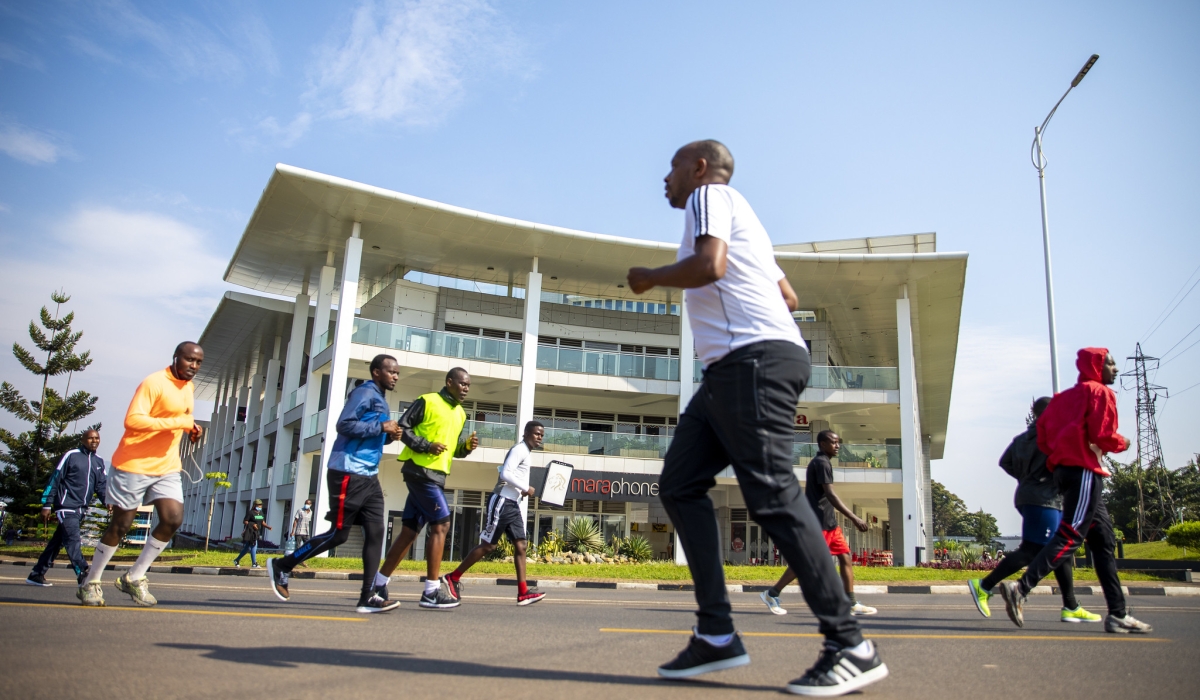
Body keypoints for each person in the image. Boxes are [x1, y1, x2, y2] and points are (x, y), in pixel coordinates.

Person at [627, 140, 886, 696]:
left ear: (698, 168)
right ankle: (717, 632)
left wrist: (650, 276)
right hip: (733, 368)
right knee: (679, 484)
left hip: (752, 360)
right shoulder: (750, 221)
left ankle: (851, 645)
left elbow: (709, 265)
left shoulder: (710, 196)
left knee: (772, 495)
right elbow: (787, 297)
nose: (664, 180)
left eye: (671, 167)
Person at [996, 348, 1152, 634]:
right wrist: (1122, 443)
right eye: (1111, 364)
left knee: (1104, 540)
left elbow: (1043, 434)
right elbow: (1104, 435)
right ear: (1097, 366)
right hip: (1084, 471)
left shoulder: (1063, 398)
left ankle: (1117, 613)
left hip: (1066, 472)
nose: (1115, 369)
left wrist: (1060, 455)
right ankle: (1021, 588)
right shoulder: (1100, 393)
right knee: (1070, 535)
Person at [267, 354, 403, 614]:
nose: (395, 376)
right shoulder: (364, 393)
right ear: (376, 372)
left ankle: (367, 597)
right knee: (339, 534)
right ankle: (283, 565)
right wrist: (381, 427)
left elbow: (373, 434)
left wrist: (389, 436)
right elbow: (344, 424)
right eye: (391, 372)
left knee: (375, 534)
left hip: (369, 475)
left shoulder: (380, 398)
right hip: (347, 472)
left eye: (397, 372)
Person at [77, 342, 205, 607]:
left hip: (167, 466)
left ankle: (134, 577)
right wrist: (177, 423)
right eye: (189, 360)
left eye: (198, 362)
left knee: (173, 519)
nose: (193, 366)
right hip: (133, 463)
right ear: (176, 358)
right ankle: (90, 582)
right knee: (121, 526)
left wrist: (191, 429)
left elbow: (182, 418)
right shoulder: (154, 382)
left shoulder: (188, 387)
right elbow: (133, 420)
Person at [967, 397, 1101, 623]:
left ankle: (1070, 605)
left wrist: (1026, 479)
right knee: (1032, 549)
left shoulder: (1022, 438)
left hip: (1034, 497)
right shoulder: (1051, 437)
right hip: (1044, 500)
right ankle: (984, 585)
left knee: (1061, 550)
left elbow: (1005, 462)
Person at [370, 367, 478, 609]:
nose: (465, 389)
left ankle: (377, 584)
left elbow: (453, 449)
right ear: (449, 382)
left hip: (437, 475)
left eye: (468, 386)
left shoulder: (461, 414)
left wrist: (467, 448)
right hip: (419, 471)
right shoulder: (427, 401)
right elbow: (401, 429)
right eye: (462, 384)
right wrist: (426, 445)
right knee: (442, 523)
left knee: (409, 531)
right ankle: (431, 591)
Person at [759, 431, 877, 617]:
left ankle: (851, 603)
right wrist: (855, 518)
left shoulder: (823, 462)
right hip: (818, 524)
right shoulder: (821, 463)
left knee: (845, 558)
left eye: (839, 442)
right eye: (833, 442)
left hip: (829, 524)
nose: (837, 446)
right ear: (822, 444)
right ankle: (771, 594)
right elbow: (830, 494)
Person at [443, 421, 547, 607]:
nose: (539, 437)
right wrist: (526, 487)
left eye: (541, 435)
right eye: (536, 434)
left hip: (513, 504)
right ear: (526, 433)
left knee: (521, 545)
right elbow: (505, 474)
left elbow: (511, 476)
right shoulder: (519, 450)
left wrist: (520, 491)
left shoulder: (526, 452)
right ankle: (453, 577)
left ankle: (523, 592)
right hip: (501, 502)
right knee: (489, 546)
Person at [26, 429, 108, 587]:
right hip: (66, 506)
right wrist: (46, 504)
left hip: (81, 509)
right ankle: (83, 573)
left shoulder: (99, 461)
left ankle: (37, 573)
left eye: (97, 438)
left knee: (57, 542)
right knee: (72, 540)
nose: (94, 441)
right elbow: (55, 479)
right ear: (83, 440)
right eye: (90, 438)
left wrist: (107, 501)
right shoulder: (71, 455)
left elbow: (101, 485)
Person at [234, 499, 270, 568]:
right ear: (254, 505)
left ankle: (237, 560)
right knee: (254, 546)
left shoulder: (261, 513)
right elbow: (245, 521)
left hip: (256, 532)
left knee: (246, 548)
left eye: (260, 505)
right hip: (250, 532)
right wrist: (252, 524)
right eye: (258, 505)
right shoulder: (251, 513)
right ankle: (254, 563)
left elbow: (262, 522)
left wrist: (268, 527)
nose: (260, 507)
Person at [290, 498, 313, 564]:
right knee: (298, 547)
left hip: (306, 532)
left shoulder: (311, 512)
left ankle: (302, 559)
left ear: (310, 504)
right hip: (299, 532)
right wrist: (292, 531)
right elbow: (295, 521)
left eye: (308, 504)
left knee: (308, 546)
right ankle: (296, 561)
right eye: (305, 503)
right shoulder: (300, 511)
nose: (306, 505)